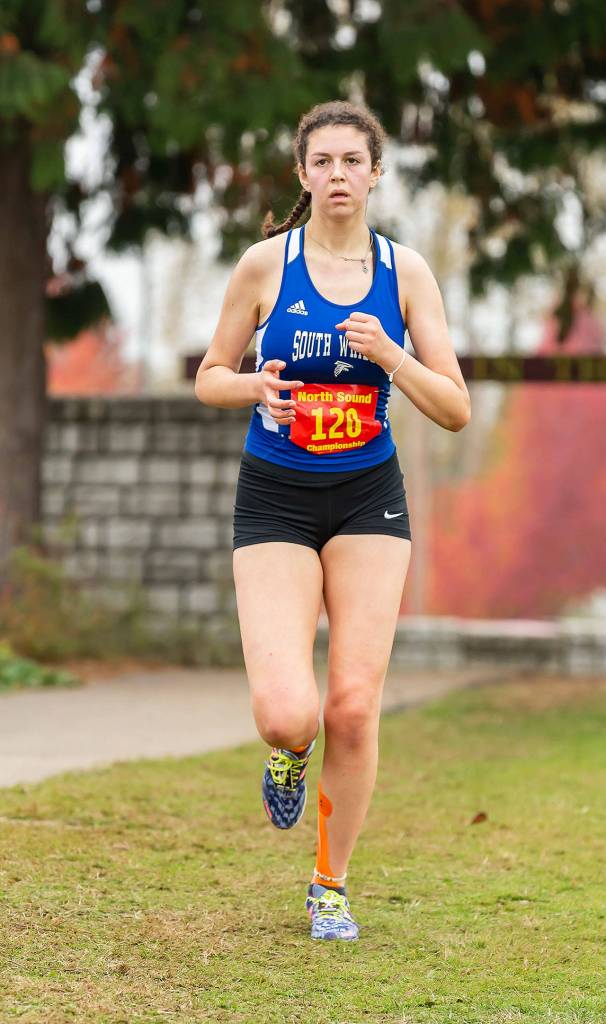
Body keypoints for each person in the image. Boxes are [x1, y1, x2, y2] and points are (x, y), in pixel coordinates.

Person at [195, 99, 470, 941]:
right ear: (302, 174)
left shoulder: (406, 273)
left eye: (355, 161)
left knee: (353, 705)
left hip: (367, 498)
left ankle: (330, 884)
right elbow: (210, 373)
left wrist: (392, 357)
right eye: (324, 162)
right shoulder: (264, 265)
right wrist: (252, 387)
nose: (339, 175)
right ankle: (284, 753)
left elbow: (455, 407)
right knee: (292, 712)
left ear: (376, 173)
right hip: (276, 493)